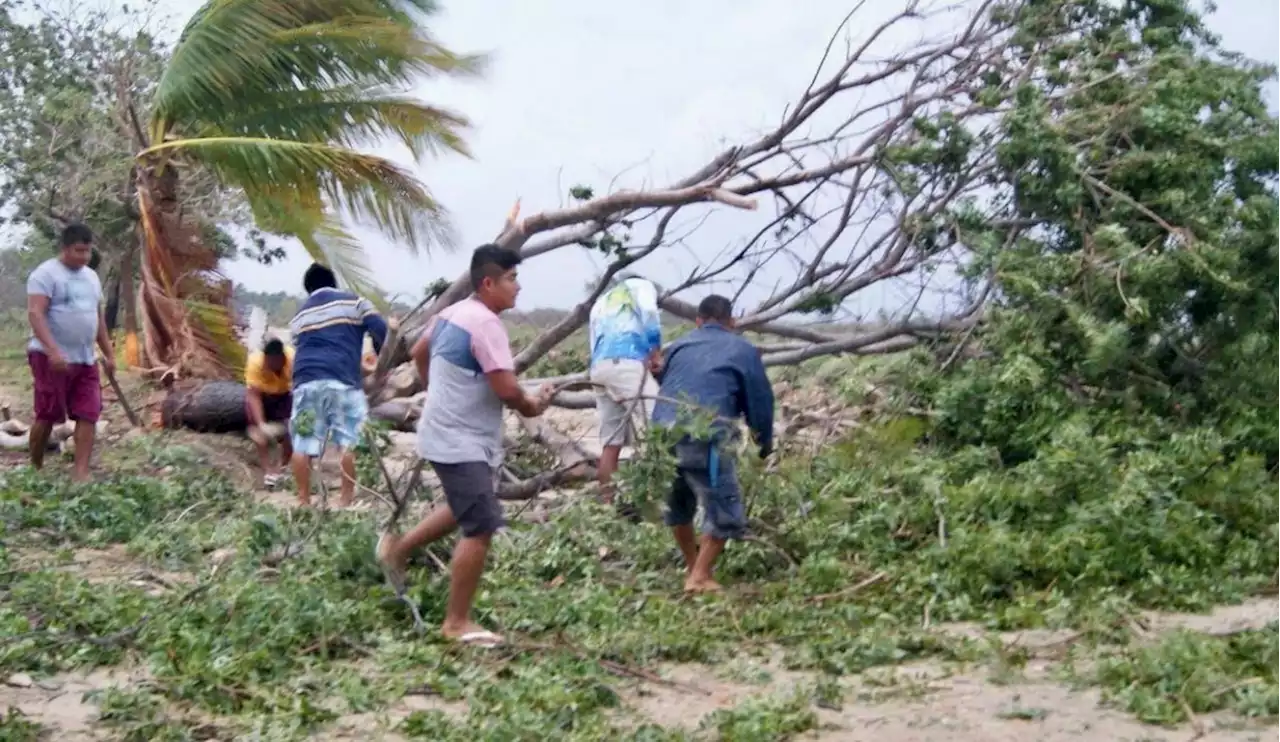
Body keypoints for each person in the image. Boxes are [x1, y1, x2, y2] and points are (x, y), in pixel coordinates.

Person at [377, 244, 553, 647]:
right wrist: (535, 403)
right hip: (460, 439)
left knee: (465, 506)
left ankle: (397, 550)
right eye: (511, 278)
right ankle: (456, 621)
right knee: (482, 525)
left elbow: (420, 352)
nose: (518, 287)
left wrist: (436, 388)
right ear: (489, 283)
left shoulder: (450, 315)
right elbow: (508, 390)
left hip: (444, 432)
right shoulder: (485, 323)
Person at [651, 294, 774, 593]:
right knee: (725, 507)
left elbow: (670, 383)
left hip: (661, 432)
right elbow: (760, 401)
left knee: (678, 506)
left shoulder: (680, 344)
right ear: (732, 322)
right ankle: (700, 576)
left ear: (698, 321)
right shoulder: (743, 349)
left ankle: (694, 566)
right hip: (706, 435)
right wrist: (763, 442)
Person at [288, 263, 388, 507]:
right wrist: (381, 358)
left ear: (308, 288)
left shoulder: (299, 317)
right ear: (333, 282)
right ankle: (345, 500)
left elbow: (305, 348)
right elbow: (382, 330)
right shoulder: (354, 302)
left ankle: (303, 501)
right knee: (347, 440)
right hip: (342, 382)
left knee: (302, 443)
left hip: (305, 382)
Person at [26, 223, 116, 483]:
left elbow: (98, 318)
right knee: (48, 414)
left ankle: (81, 472)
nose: (84, 257)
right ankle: (36, 467)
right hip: (49, 358)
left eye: (87, 251)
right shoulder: (45, 275)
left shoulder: (91, 277)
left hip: (85, 358)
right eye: (79, 251)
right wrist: (53, 351)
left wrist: (109, 354)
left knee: (89, 412)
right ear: (65, 248)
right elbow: (35, 313)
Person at [587, 276, 662, 504]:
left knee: (611, 442)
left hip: (600, 367)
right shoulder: (643, 286)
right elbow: (649, 313)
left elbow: (593, 340)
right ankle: (659, 500)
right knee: (661, 427)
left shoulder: (601, 301)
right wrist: (655, 352)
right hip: (626, 362)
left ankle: (607, 508)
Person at [245, 337, 295, 487]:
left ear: (282, 359)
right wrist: (261, 423)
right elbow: (254, 396)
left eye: (274, 362)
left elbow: (299, 389)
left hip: (285, 394)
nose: (270, 365)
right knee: (258, 433)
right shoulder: (255, 363)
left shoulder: (293, 359)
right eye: (268, 362)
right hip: (262, 395)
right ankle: (268, 471)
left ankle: (282, 468)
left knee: (292, 430)